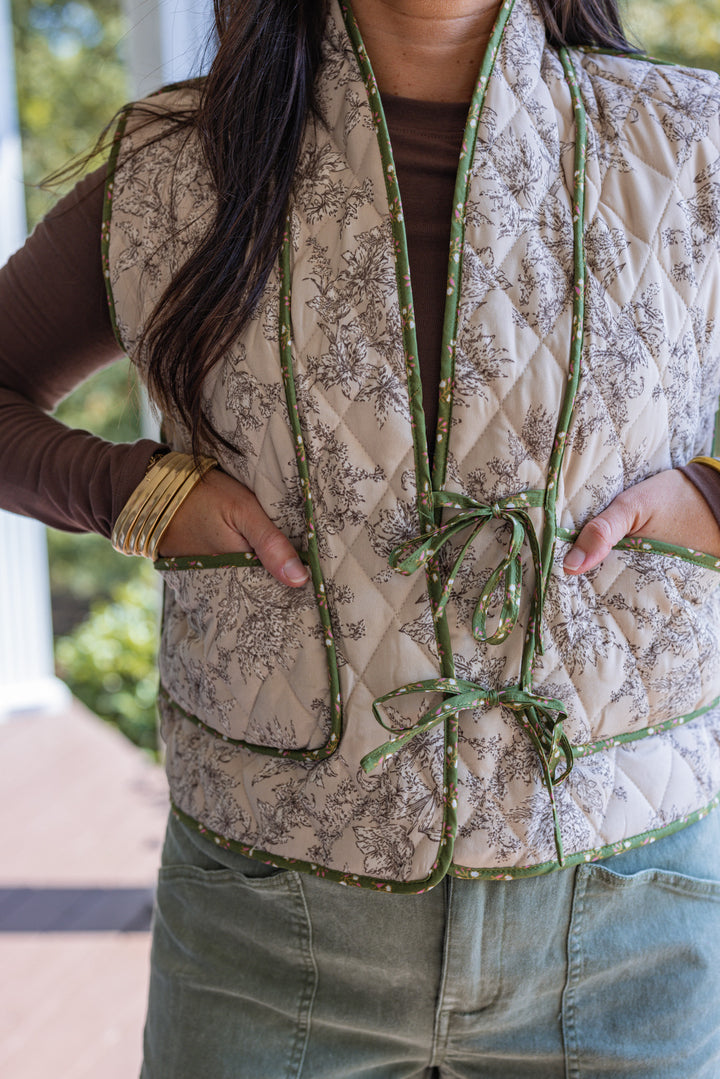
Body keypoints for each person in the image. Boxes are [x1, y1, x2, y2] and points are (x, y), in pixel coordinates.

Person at [3, 0, 720, 1074]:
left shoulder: (691, 139)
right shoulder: (174, 169)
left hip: (627, 925)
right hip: (264, 928)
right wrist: (131, 494)